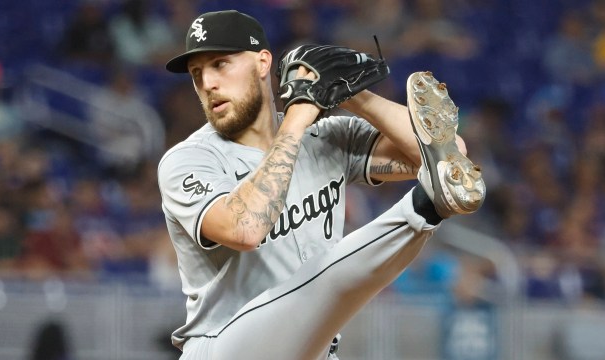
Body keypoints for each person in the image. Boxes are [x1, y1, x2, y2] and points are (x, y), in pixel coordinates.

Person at [158, 10, 485, 360]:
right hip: (225, 343)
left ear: (262, 62)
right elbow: (246, 229)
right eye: (197, 74)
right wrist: (299, 114)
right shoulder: (189, 160)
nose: (207, 83)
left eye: (220, 64)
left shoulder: (328, 138)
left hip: (314, 351)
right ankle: (426, 207)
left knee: (326, 281)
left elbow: (450, 156)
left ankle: (429, 204)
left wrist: (352, 94)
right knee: (326, 277)